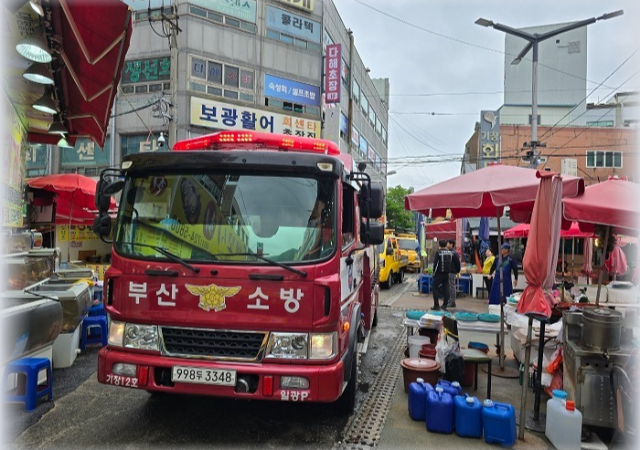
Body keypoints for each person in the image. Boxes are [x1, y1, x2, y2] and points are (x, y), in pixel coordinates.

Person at [432, 239, 455, 311]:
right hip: (447, 273)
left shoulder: (438, 253)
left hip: (439, 273)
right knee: (446, 289)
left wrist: (434, 273)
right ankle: (445, 305)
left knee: (434, 288)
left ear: (439, 245)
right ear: (445, 245)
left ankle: (436, 305)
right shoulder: (450, 253)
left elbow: (435, 264)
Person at [446, 239, 461, 308]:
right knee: (450, 287)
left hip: (452, 272)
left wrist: (457, 271)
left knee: (452, 287)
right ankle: (450, 300)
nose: (447, 244)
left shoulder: (454, 253)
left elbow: (458, 263)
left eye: (448, 243)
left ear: (451, 244)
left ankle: (453, 302)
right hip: (449, 271)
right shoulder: (449, 252)